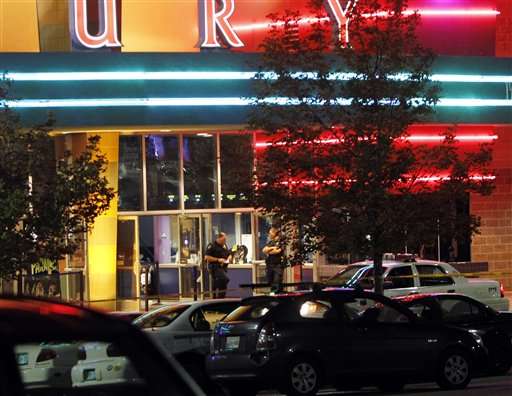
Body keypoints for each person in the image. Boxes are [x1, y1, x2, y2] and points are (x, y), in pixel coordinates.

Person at [205, 233, 231, 298]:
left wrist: (229, 257)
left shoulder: (224, 245)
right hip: (214, 267)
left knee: (222, 282)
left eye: (225, 240)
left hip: (222, 267)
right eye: (224, 239)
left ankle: (220, 297)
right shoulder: (212, 245)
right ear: (219, 238)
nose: (225, 241)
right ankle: (217, 295)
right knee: (225, 279)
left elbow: (229, 254)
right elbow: (206, 257)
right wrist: (218, 260)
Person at [262, 227, 285, 294]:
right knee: (270, 282)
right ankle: (272, 296)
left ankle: (278, 296)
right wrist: (272, 248)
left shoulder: (281, 242)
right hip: (270, 265)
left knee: (277, 282)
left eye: (270, 233)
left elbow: (277, 251)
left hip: (277, 266)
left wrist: (269, 251)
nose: (269, 234)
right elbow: (264, 250)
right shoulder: (271, 242)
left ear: (274, 233)